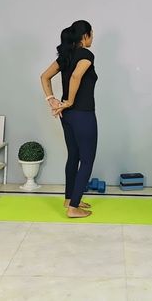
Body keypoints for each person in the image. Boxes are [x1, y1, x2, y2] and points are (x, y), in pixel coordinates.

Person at [40, 20, 98, 218]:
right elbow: (76, 77)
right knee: (87, 160)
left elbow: (44, 77)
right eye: (91, 34)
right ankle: (74, 208)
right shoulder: (86, 55)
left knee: (74, 156)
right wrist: (70, 101)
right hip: (82, 114)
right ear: (85, 36)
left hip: (68, 116)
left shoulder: (65, 55)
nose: (92, 37)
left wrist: (54, 101)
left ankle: (69, 199)